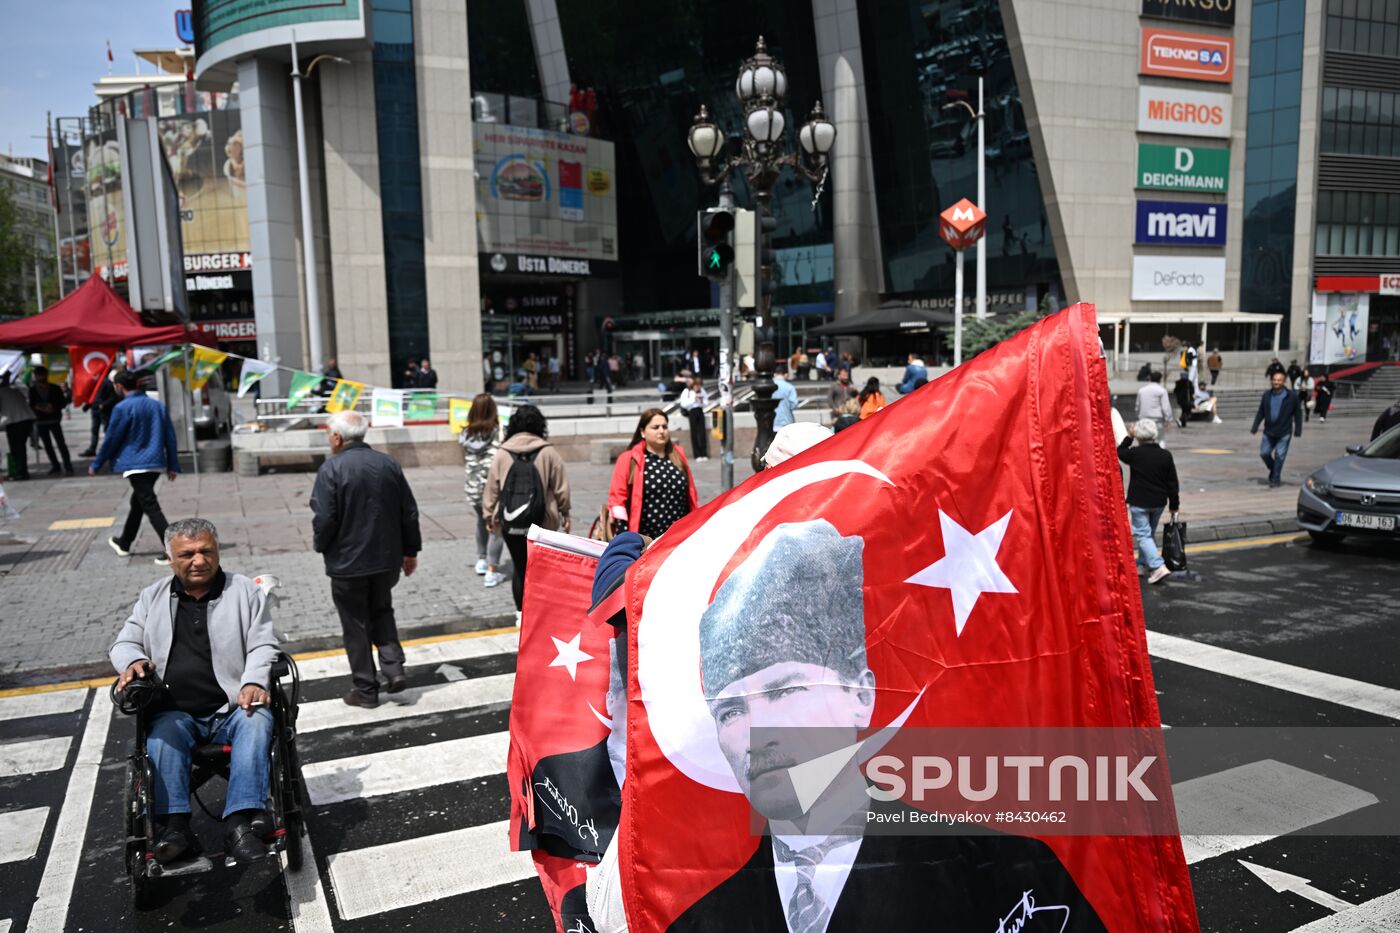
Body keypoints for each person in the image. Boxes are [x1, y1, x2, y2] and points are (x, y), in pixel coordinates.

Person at [670, 520, 1105, 932]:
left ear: (861, 697)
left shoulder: (1004, 876)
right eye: (730, 712)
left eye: (785, 691)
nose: (756, 732)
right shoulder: (702, 922)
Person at [109, 518, 279, 865]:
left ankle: (239, 823)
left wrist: (253, 680)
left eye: (206, 551)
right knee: (160, 736)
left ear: (217, 552)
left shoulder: (244, 591)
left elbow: (263, 643)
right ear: (171, 559)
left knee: (258, 720)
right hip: (175, 711)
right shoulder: (152, 597)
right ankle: (175, 829)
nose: (199, 561)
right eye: (187, 554)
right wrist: (134, 660)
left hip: (232, 709)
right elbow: (124, 642)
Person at [311, 410, 422, 708]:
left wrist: (321, 545)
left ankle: (365, 689)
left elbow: (324, 517)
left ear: (337, 437)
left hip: (347, 562)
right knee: (382, 610)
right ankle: (393, 668)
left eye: (329, 434)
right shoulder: (388, 464)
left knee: (355, 624)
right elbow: (409, 512)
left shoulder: (331, 469)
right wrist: (410, 551)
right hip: (386, 559)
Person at [483, 405, 571, 617]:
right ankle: (540, 616)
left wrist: (488, 515)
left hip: (510, 522)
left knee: (520, 568)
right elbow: (561, 487)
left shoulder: (503, 453)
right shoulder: (548, 452)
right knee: (541, 570)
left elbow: (492, 488)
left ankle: (521, 616)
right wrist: (565, 512)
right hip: (543, 522)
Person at [91, 370, 180, 563]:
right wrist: (173, 464)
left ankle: (174, 550)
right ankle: (125, 542)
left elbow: (112, 438)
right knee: (138, 503)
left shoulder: (122, 407)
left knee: (150, 505)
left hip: (135, 463)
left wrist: (97, 463)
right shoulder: (157, 405)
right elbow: (170, 436)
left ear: (119, 386)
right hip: (155, 462)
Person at [607, 408, 698, 540]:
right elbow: (617, 498)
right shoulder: (628, 458)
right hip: (645, 539)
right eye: (655, 427)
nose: (661, 431)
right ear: (643, 432)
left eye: (664, 427)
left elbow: (691, 495)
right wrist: (625, 539)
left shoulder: (679, 455)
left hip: (678, 537)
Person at [1118, 421, 1180, 585]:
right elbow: (1172, 483)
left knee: (1143, 535)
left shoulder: (1135, 454)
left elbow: (1120, 451)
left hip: (1139, 502)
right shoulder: (1165, 455)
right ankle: (1141, 565)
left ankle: (1158, 566)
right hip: (1159, 502)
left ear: (1138, 435)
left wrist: (1129, 436)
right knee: (1148, 534)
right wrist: (1174, 505)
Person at [460, 393, 505, 588]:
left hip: (473, 487)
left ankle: (481, 559)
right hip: (493, 488)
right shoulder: (499, 432)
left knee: (481, 520)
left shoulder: (466, 434)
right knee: (496, 525)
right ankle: (492, 571)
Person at [1251, 370, 1303, 488]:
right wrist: (1255, 426)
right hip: (1269, 431)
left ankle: (1275, 479)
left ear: (1284, 382)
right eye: (1274, 380)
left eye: (1279, 380)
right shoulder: (1267, 395)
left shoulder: (1291, 396)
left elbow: (1298, 413)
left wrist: (1298, 429)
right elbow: (1261, 411)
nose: (1276, 382)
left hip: (1284, 432)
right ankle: (1274, 469)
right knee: (1264, 453)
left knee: (1280, 456)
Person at [27, 367, 73, 476]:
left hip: (54, 420)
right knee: (47, 445)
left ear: (46, 375)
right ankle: (55, 466)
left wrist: (53, 407)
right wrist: (39, 407)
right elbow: (31, 404)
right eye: (38, 375)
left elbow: (63, 403)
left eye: (42, 375)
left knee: (61, 444)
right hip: (41, 421)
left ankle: (68, 466)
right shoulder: (32, 390)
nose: (40, 377)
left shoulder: (55, 388)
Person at [0, 372, 36, 481]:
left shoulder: (2, 392)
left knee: (17, 448)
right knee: (20, 447)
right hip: (26, 420)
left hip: (15, 422)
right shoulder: (14, 390)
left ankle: (21, 472)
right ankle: (21, 470)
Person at [80, 368, 120, 457]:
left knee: (107, 430)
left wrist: (103, 405)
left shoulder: (107, 383)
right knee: (94, 430)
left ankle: (109, 449)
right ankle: (92, 449)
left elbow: (113, 398)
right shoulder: (94, 383)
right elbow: (93, 397)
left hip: (104, 411)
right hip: (95, 410)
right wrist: (88, 405)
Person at [1135, 372, 1173, 442]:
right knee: (1160, 440)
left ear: (1150, 378)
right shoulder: (1162, 391)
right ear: (1160, 379)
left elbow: (1137, 406)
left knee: (1144, 440)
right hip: (1157, 420)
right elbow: (1165, 407)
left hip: (1144, 418)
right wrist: (1168, 419)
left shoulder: (1141, 390)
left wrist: (1138, 416)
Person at [679, 376, 709, 461]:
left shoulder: (702, 391)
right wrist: (694, 398)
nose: (698, 387)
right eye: (696, 385)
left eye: (700, 385)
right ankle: (697, 455)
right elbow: (683, 404)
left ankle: (704, 454)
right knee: (694, 433)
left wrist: (701, 400)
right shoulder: (687, 391)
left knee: (702, 433)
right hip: (692, 411)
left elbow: (706, 402)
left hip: (700, 411)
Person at [771, 362, 799, 430]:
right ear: (786, 374)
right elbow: (794, 404)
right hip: (786, 421)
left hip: (771, 421)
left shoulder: (768, 386)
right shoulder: (790, 387)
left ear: (774, 374)